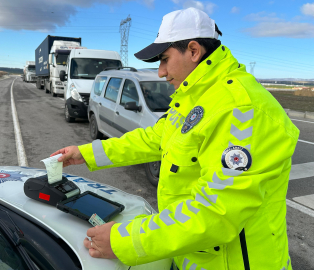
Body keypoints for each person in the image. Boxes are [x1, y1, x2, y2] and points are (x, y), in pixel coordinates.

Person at [51, 7, 299, 270]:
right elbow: (153, 139)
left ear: (193, 51)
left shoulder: (241, 109)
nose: (160, 71)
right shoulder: (196, 98)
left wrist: (123, 241)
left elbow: (216, 213)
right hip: (192, 254)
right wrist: (84, 154)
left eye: (165, 59)